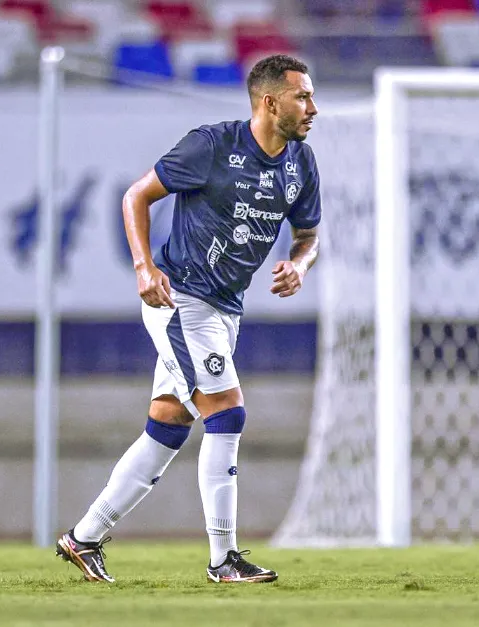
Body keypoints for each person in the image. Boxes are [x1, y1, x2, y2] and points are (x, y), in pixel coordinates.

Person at [56, 54, 320, 584]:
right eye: (302, 97)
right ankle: (224, 559)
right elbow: (137, 195)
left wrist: (299, 263)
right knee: (226, 411)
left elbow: (308, 233)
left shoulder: (300, 161)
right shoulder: (213, 146)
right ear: (270, 102)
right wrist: (144, 267)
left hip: (227, 309)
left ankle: (83, 538)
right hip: (182, 301)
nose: (313, 108)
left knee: (168, 426)